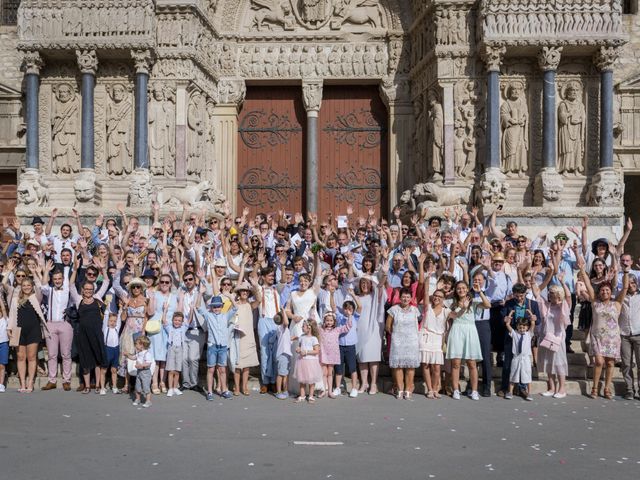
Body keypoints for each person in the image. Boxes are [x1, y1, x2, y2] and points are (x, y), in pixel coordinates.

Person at [583, 265, 628, 399]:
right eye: (602, 290)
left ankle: (607, 388)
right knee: (598, 362)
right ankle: (595, 387)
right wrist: (581, 270)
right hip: (597, 337)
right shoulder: (595, 302)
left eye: (607, 290)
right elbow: (588, 285)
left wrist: (626, 271)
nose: (604, 292)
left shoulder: (617, 304)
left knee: (609, 363)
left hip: (613, 338)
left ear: (611, 292)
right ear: (599, 292)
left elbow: (625, 288)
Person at [446, 281, 490, 400]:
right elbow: (453, 316)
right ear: (455, 290)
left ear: (467, 289)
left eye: (463, 288)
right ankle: (456, 390)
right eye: (459, 288)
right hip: (457, 330)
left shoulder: (473, 302)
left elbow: (488, 305)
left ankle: (474, 391)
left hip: (470, 331)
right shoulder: (451, 303)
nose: (461, 290)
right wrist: (463, 309)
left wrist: (479, 291)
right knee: (456, 363)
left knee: (472, 363)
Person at [7, 276, 50, 393]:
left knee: (31, 358)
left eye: (28, 285)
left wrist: (34, 273)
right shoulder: (16, 299)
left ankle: (30, 382)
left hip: (33, 330)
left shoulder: (36, 297)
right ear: (21, 287)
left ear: (32, 287)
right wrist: (9, 328)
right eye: (24, 285)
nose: (26, 287)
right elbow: (11, 315)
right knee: (21, 358)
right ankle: (22, 383)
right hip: (18, 331)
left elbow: (39, 286)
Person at [534, 268, 571, 399]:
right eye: (550, 293)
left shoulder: (564, 306)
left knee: (559, 363)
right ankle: (551, 387)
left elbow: (568, 296)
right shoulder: (546, 305)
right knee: (548, 363)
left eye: (554, 293)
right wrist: (534, 279)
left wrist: (562, 282)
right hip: (546, 337)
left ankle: (562, 388)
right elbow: (537, 294)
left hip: (558, 338)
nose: (551, 295)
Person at [198, 294, 236, 400]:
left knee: (222, 369)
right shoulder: (208, 315)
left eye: (218, 306)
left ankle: (224, 390)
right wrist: (200, 293)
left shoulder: (225, 315)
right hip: (212, 346)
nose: (216, 308)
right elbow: (198, 307)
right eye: (214, 306)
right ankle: (209, 392)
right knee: (211, 369)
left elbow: (235, 307)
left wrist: (230, 296)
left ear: (222, 306)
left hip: (223, 346)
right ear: (211, 307)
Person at [386, 288, 421, 399]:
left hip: (412, 341)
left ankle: (408, 389)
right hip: (398, 341)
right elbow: (388, 326)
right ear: (400, 297)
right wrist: (397, 335)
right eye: (403, 296)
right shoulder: (393, 309)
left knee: (410, 366)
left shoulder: (415, 310)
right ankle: (400, 389)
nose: (405, 299)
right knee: (398, 366)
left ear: (411, 298)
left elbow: (417, 324)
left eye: (407, 297)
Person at [420, 280, 449, 399]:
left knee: (436, 367)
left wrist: (464, 307)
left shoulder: (446, 311)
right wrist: (427, 279)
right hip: (426, 337)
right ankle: (430, 389)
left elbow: (458, 314)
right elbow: (426, 293)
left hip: (438, 339)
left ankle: (436, 388)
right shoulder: (427, 308)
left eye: (440, 296)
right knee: (426, 365)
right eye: (435, 295)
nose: (437, 297)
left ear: (443, 299)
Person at [232, 281, 260, 396]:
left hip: (248, 336)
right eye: (242, 290)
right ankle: (237, 387)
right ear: (239, 292)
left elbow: (259, 300)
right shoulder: (235, 304)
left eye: (246, 291)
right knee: (237, 364)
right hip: (238, 336)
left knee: (246, 365)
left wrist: (255, 287)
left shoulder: (250, 305)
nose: (244, 292)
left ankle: (244, 386)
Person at [319, 310, 351, 399]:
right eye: (327, 320)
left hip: (332, 354)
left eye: (331, 320)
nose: (329, 322)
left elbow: (348, 327)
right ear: (324, 321)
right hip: (323, 354)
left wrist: (349, 316)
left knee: (330, 373)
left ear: (334, 322)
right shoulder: (321, 330)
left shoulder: (337, 330)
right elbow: (313, 324)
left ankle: (330, 391)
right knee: (324, 373)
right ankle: (324, 390)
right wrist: (313, 310)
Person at [504, 314, 535, 401]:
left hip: (525, 359)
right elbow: (508, 326)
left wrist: (532, 318)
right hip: (516, 358)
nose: (522, 329)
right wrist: (509, 318)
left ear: (527, 327)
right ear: (517, 327)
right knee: (513, 374)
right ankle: (510, 392)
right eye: (520, 327)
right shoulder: (514, 334)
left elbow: (532, 325)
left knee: (527, 375)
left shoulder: (529, 334)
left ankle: (529, 393)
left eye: (524, 327)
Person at [619, 274, 640, 400]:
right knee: (626, 364)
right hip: (624, 334)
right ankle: (629, 389)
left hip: (638, 333)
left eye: (633, 283)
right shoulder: (621, 297)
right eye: (629, 283)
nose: (631, 285)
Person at [293, 319, 323, 403]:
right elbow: (300, 346)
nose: (302, 328)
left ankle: (310, 396)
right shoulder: (302, 337)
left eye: (303, 326)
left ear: (309, 328)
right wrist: (298, 349)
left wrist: (306, 352)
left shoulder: (314, 339)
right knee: (302, 379)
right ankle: (302, 395)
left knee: (311, 380)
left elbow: (316, 351)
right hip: (302, 361)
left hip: (311, 362)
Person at [127, 335, 153, 408]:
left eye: (137, 344)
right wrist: (127, 355)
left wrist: (141, 366)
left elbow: (148, 363)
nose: (135, 345)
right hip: (139, 372)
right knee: (137, 386)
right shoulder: (139, 353)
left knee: (146, 387)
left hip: (145, 373)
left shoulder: (147, 354)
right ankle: (137, 399)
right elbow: (133, 357)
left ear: (142, 345)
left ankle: (148, 401)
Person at [164, 311, 187, 397]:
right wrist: (165, 310)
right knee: (171, 370)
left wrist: (192, 309)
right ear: (172, 320)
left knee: (177, 371)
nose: (177, 322)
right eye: (175, 320)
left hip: (180, 348)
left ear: (182, 322)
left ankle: (175, 387)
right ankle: (170, 388)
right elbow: (164, 321)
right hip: (171, 348)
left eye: (179, 320)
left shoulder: (183, 328)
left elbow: (190, 320)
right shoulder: (170, 328)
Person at [101, 311, 121, 394]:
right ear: (107, 321)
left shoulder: (117, 328)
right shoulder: (105, 328)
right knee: (104, 370)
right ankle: (102, 388)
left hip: (116, 350)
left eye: (114, 321)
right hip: (107, 350)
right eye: (111, 321)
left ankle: (114, 387)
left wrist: (121, 308)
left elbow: (119, 317)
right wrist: (108, 304)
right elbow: (106, 316)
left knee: (114, 370)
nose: (113, 323)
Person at [274, 310, 291, 400]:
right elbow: (286, 322)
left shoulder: (285, 330)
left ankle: (285, 390)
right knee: (281, 374)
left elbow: (286, 339)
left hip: (287, 354)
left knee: (285, 374)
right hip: (282, 354)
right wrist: (284, 311)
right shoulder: (281, 327)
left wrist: (293, 338)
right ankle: (278, 391)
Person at [0, 297, 8, 392]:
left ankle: (1, 384)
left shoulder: (5, 319)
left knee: (1, 365)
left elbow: (3, 308)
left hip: (3, 344)